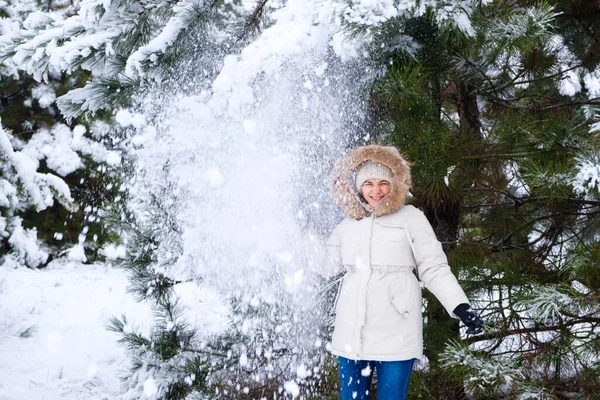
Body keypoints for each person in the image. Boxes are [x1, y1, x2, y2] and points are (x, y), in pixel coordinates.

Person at [317, 145, 484, 400]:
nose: (376, 191)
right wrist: (303, 238)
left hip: (396, 330)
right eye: (369, 183)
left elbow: (434, 266)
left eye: (383, 183)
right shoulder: (348, 224)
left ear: (394, 184)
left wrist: (460, 305)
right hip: (351, 332)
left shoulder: (411, 218)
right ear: (358, 186)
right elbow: (326, 266)